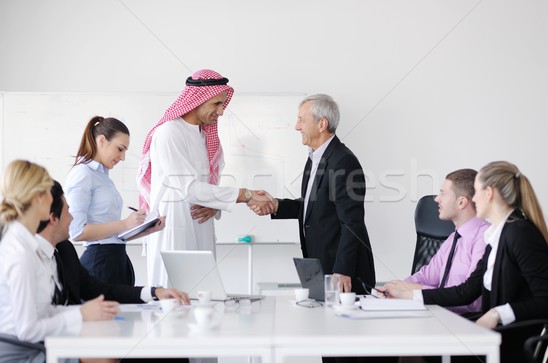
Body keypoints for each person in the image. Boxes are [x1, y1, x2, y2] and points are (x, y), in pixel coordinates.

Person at [381, 161, 548, 362]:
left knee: (414, 348)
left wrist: (496, 314)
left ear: (490, 193)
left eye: (476, 192)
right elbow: (467, 291)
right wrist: (412, 295)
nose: (474, 200)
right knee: (411, 346)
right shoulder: (499, 235)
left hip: (509, 339)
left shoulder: (520, 234)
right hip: (493, 333)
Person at [137, 68, 274, 287]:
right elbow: (189, 188)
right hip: (175, 225)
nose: (221, 112)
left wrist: (215, 205)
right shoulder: (170, 132)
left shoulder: (202, 134)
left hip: (201, 222)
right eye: (216, 104)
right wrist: (245, 195)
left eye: (222, 105)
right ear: (198, 100)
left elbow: (206, 186)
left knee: (203, 294)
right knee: (172, 296)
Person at [252, 94, 376, 295]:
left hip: (341, 274)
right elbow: (313, 206)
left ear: (322, 124)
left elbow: (352, 223)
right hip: (319, 265)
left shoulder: (343, 162)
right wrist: (276, 205)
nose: (297, 126)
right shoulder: (315, 158)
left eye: (301, 119)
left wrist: (342, 270)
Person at [0, 160, 119, 363]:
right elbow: (28, 330)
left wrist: (85, 312)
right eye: (48, 191)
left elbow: (43, 310)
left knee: (108, 351)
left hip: (34, 342)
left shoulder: (28, 244)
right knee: (105, 358)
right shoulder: (20, 253)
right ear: (38, 198)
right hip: (22, 350)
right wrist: (80, 314)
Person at [37, 180, 190, 306]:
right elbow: (31, 324)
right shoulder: (28, 256)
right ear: (53, 218)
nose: (72, 218)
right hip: (40, 342)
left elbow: (103, 291)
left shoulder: (65, 250)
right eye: (67, 212)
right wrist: (81, 314)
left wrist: (154, 292)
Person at [65, 116, 166, 286]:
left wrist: (145, 230)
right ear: (102, 141)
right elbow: (77, 232)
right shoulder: (82, 174)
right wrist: (125, 224)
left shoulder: (102, 176)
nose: (123, 157)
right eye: (120, 149)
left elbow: (111, 234)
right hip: (100, 265)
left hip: (116, 260)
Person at [386, 169, 488, 315]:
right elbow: (426, 276)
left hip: (466, 324)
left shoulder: (484, 238)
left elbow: (471, 300)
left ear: (461, 202)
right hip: (440, 316)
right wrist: (396, 287)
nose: (436, 199)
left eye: (443, 193)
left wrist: (413, 292)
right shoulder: (454, 238)